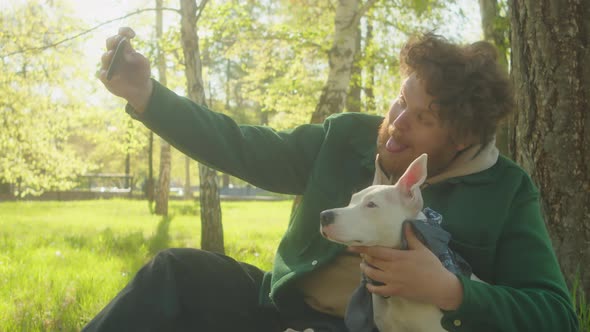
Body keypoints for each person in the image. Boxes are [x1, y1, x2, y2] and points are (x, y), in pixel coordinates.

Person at [85, 27, 579, 332]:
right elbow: (241, 146)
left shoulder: (505, 189)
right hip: (283, 312)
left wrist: (453, 291)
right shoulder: (345, 137)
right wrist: (146, 94)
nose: (399, 120)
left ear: (461, 139)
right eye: (402, 99)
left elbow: (556, 315)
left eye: (423, 118)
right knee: (175, 272)